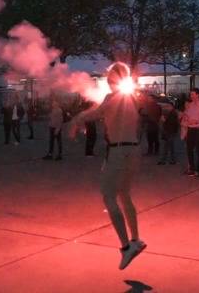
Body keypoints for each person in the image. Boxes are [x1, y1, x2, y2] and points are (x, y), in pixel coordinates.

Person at [70, 62, 146, 270]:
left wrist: (78, 119)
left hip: (119, 151)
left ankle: (125, 247)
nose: (108, 80)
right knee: (124, 193)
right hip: (134, 150)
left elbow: (96, 113)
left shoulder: (113, 98)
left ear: (114, 78)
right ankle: (136, 239)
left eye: (110, 76)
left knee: (108, 194)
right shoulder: (131, 98)